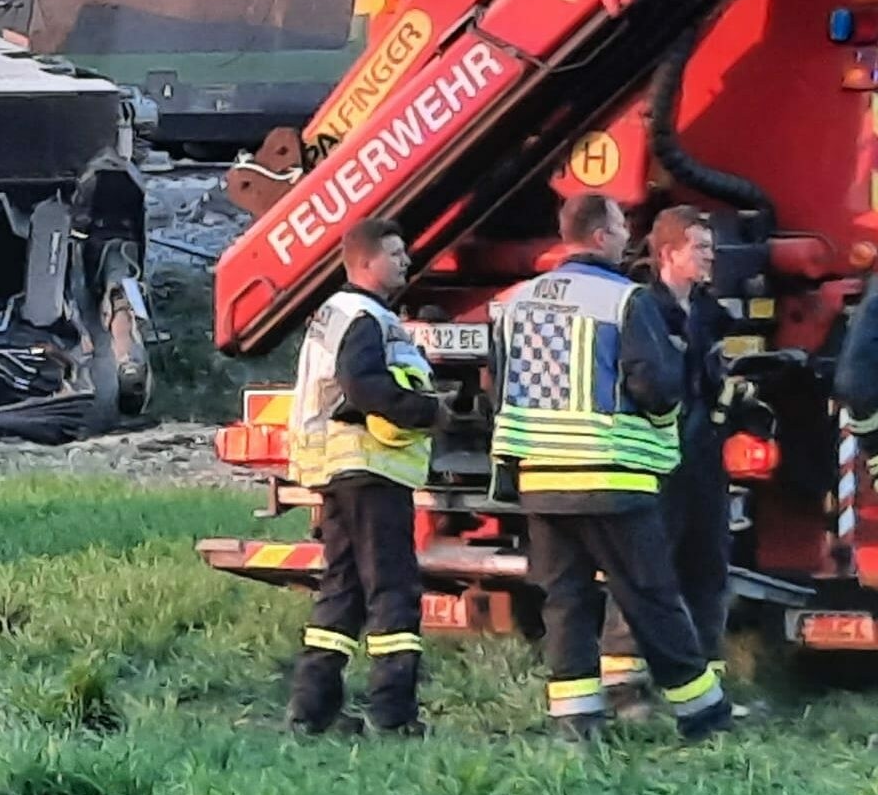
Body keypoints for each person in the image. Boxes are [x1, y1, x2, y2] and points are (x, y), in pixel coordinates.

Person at [490, 194, 731, 743]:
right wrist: (667, 420)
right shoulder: (624, 300)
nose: (629, 238)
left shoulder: (517, 300)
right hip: (611, 475)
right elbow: (655, 383)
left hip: (541, 479)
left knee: (566, 601)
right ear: (601, 236)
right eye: (623, 227)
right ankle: (703, 714)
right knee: (651, 594)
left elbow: (496, 386)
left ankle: (576, 723)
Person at [284, 217, 467, 736]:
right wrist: (427, 412)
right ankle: (393, 714)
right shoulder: (362, 316)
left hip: (342, 469)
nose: (406, 260)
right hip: (368, 467)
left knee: (342, 587)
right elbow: (363, 387)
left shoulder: (339, 313)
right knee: (393, 589)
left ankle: (312, 710)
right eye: (396, 252)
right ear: (366, 262)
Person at [598, 206, 738, 713]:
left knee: (707, 565)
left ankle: (705, 684)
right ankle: (623, 684)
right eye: (700, 247)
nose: (709, 257)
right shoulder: (643, 309)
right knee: (645, 568)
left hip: (702, 459)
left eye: (710, 247)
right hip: (655, 461)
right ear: (668, 253)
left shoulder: (706, 309)